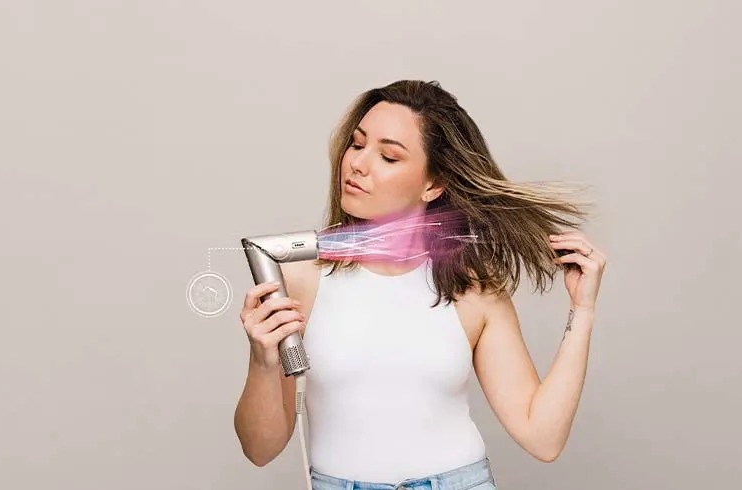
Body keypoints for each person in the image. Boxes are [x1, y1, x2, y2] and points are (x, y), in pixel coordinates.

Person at [233, 80, 607, 489]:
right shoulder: (302, 280)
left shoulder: (474, 291)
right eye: (357, 144)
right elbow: (260, 449)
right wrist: (262, 360)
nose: (357, 164)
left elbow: (542, 437)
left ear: (434, 184)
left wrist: (583, 310)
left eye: (388, 156)